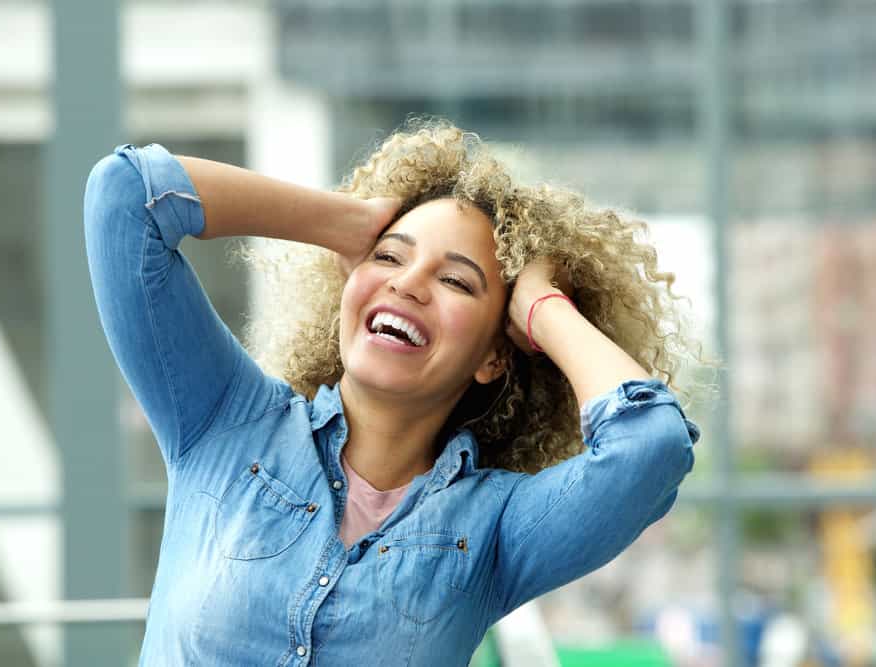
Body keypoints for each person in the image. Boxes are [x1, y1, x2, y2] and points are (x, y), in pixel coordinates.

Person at [83, 116, 710, 666]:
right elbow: (126, 197)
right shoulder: (223, 420)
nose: (407, 284)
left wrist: (543, 307)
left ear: (495, 355)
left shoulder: (494, 530)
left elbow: (650, 445)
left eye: (458, 283)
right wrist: (348, 222)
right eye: (389, 258)